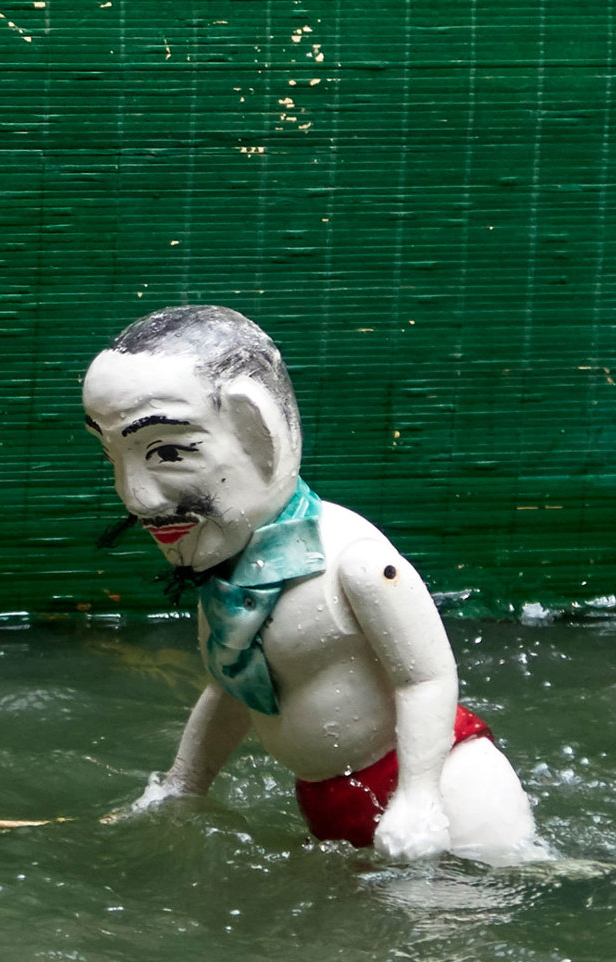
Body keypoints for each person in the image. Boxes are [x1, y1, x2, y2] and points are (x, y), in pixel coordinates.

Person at [83, 305, 542, 863]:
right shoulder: (229, 581)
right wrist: (184, 786)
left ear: (259, 431)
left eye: (169, 453)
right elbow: (232, 687)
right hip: (326, 802)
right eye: (112, 456)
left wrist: (420, 799)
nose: (135, 497)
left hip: (451, 796)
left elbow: (426, 677)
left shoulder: (357, 564)